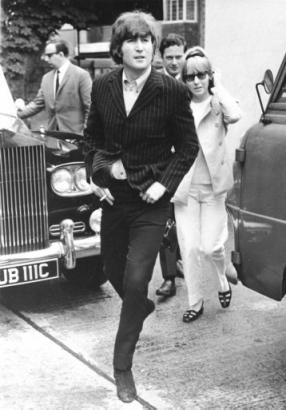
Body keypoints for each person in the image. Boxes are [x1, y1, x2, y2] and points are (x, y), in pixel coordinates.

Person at [84, 11, 198, 403]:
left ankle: (122, 368)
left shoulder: (172, 90)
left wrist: (163, 186)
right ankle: (140, 306)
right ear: (119, 48)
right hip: (115, 199)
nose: (140, 46)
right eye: (132, 40)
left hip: (151, 203)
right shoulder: (102, 87)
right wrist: (100, 175)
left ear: (153, 46)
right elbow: (92, 139)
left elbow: (187, 147)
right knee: (113, 272)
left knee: (135, 281)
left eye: (146, 40)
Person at [172, 46, 242, 323]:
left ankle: (223, 282)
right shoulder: (178, 107)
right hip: (185, 188)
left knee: (211, 247)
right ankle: (195, 301)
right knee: (189, 248)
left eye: (202, 75)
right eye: (191, 77)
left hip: (213, 189)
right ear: (184, 80)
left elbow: (235, 115)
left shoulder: (218, 103)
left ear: (210, 76)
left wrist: (220, 86)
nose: (197, 81)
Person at [156, 33, 187, 298]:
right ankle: (169, 278)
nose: (174, 62)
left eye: (179, 57)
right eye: (169, 58)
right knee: (164, 221)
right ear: (161, 58)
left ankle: (182, 264)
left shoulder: (195, 82)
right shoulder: (155, 86)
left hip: (190, 166)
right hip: (163, 166)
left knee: (185, 222)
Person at [17, 39, 92, 134]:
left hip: (76, 136)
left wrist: (86, 132)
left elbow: (90, 107)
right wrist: (13, 115)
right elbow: (37, 104)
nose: (46, 59)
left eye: (49, 55)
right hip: (53, 136)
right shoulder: (46, 78)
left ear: (61, 54)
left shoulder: (81, 75)